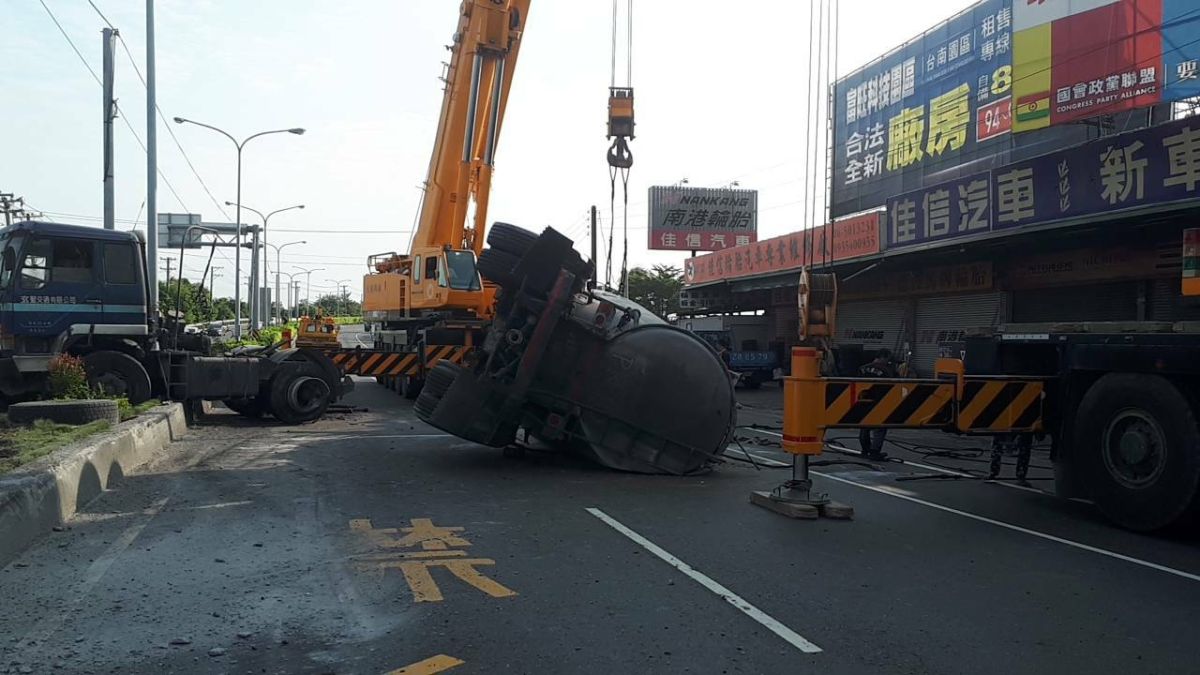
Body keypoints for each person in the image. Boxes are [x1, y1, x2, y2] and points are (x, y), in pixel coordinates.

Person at [858, 348, 897, 461]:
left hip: (863, 401)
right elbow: (893, 385)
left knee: (864, 426)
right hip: (880, 401)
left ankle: (865, 450)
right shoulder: (887, 370)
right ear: (884, 357)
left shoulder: (862, 368)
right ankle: (875, 452)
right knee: (880, 428)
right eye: (888, 359)